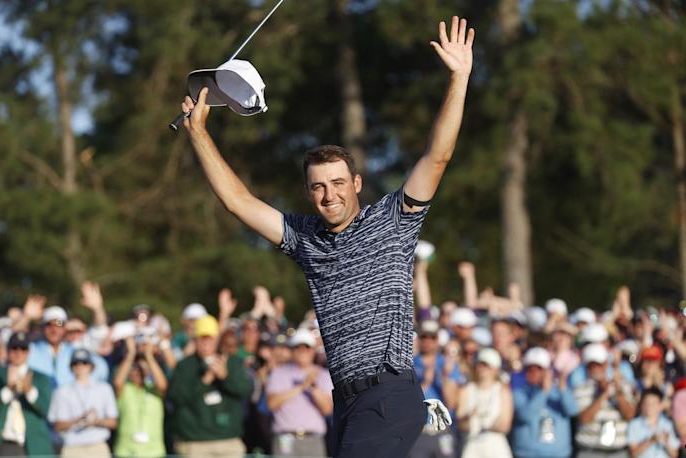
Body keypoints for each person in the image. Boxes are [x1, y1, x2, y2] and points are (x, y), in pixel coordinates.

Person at [179, 14, 474, 457]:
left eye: (338, 183)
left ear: (356, 184)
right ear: (308, 192)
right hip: (346, 403)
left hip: (387, 395)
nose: (329, 194)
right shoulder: (305, 239)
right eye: (318, 186)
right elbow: (238, 202)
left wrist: (459, 77)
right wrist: (199, 133)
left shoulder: (392, 221)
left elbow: (438, 156)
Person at [167, 314, 253, 456]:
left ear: (217, 339)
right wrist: (204, 381)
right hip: (194, 443)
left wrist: (225, 377)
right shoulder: (184, 366)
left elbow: (245, 391)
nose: (205, 343)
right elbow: (176, 398)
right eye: (202, 338)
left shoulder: (232, 362)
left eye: (210, 338)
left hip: (228, 441)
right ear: (195, 340)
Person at [0, 332, 54, 456]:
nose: (18, 353)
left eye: (23, 349)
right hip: (3, 443)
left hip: (33, 445)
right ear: (8, 350)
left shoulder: (40, 378)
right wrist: (8, 389)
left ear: (28, 352)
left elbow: (45, 409)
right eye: (14, 348)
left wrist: (29, 390)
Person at [266, 328, 333, 456]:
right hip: (285, 439)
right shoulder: (279, 373)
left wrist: (313, 387)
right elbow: (271, 404)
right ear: (292, 350)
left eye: (306, 347)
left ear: (313, 350)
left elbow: (327, 409)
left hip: (313, 439)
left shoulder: (323, 375)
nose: (302, 351)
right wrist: (301, 386)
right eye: (298, 347)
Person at [48, 348, 118, 458]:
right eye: (76, 363)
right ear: (71, 367)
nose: (80, 366)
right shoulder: (62, 391)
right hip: (72, 447)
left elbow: (113, 422)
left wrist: (97, 421)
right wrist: (78, 420)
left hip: (97, 445)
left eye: (84, 362)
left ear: (91, 366)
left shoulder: (104, 388)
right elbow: (57, 426)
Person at [510, 347, 579, 458]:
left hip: (558, 455)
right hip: (527, 454)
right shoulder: (519, 392)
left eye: (539, 369)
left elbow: (572, 411)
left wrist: (563, 389)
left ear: (548, 371)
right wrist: (543, 392)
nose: (534, 373)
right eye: (530, 369)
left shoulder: (559, 392)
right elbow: (525, 416)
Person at [409, 320, 461, 458]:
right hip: (420, 432)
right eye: (424, 336)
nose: (428, 341)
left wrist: (445, 377)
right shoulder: (410, 364)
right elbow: (407, 401)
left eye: (432, 337)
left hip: (442, 431)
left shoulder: (446, 363)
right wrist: (426, 382)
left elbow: (452, 403)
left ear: (437, 339)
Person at [574, 343, 636, 458]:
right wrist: (603, 395)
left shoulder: (622, 385)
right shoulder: (581, 389)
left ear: (606, 364)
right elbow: (584, 419)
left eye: (599, 365)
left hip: (617, 452)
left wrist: (618, 392)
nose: (595, 369)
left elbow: (629, 415)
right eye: (591, 366)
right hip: (589, 451)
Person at [112, 336, 168, 457]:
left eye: (142, 368)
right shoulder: (125, 389)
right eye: (135, 368)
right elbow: (117, 382)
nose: (138, 371)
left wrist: (149, 356)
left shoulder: (153, 389)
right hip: (126, 451)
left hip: (153, 452)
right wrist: (131, 354)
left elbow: (163, 385)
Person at [28, 306, 109, 387]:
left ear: (65, 328)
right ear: (42, 327)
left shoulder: (75, 351)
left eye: (59, 324)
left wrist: (97, 309)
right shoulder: (30, 350)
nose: (54, 329)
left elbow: (101, 369)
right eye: (49, 324)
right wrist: (26, 317)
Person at [456, 348, 513, 458]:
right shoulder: (466, 389)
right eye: (480, 364)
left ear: (495, 369)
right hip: (472, 445)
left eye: (486, 365)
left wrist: (483, 423)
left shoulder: (502, 390)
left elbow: (505, 425)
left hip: (495, 447)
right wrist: (470, 418)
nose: (482, 368)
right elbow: (460, 422)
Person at [627, 387, 679, 458]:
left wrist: (667, 442)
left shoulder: (668, 425)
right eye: (646, 403)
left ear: (660, 405)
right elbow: (633, 454)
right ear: (641, 405)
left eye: (653, 403)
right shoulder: (634, 425)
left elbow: (674, 455)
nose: (649, 406)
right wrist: (651, 440)